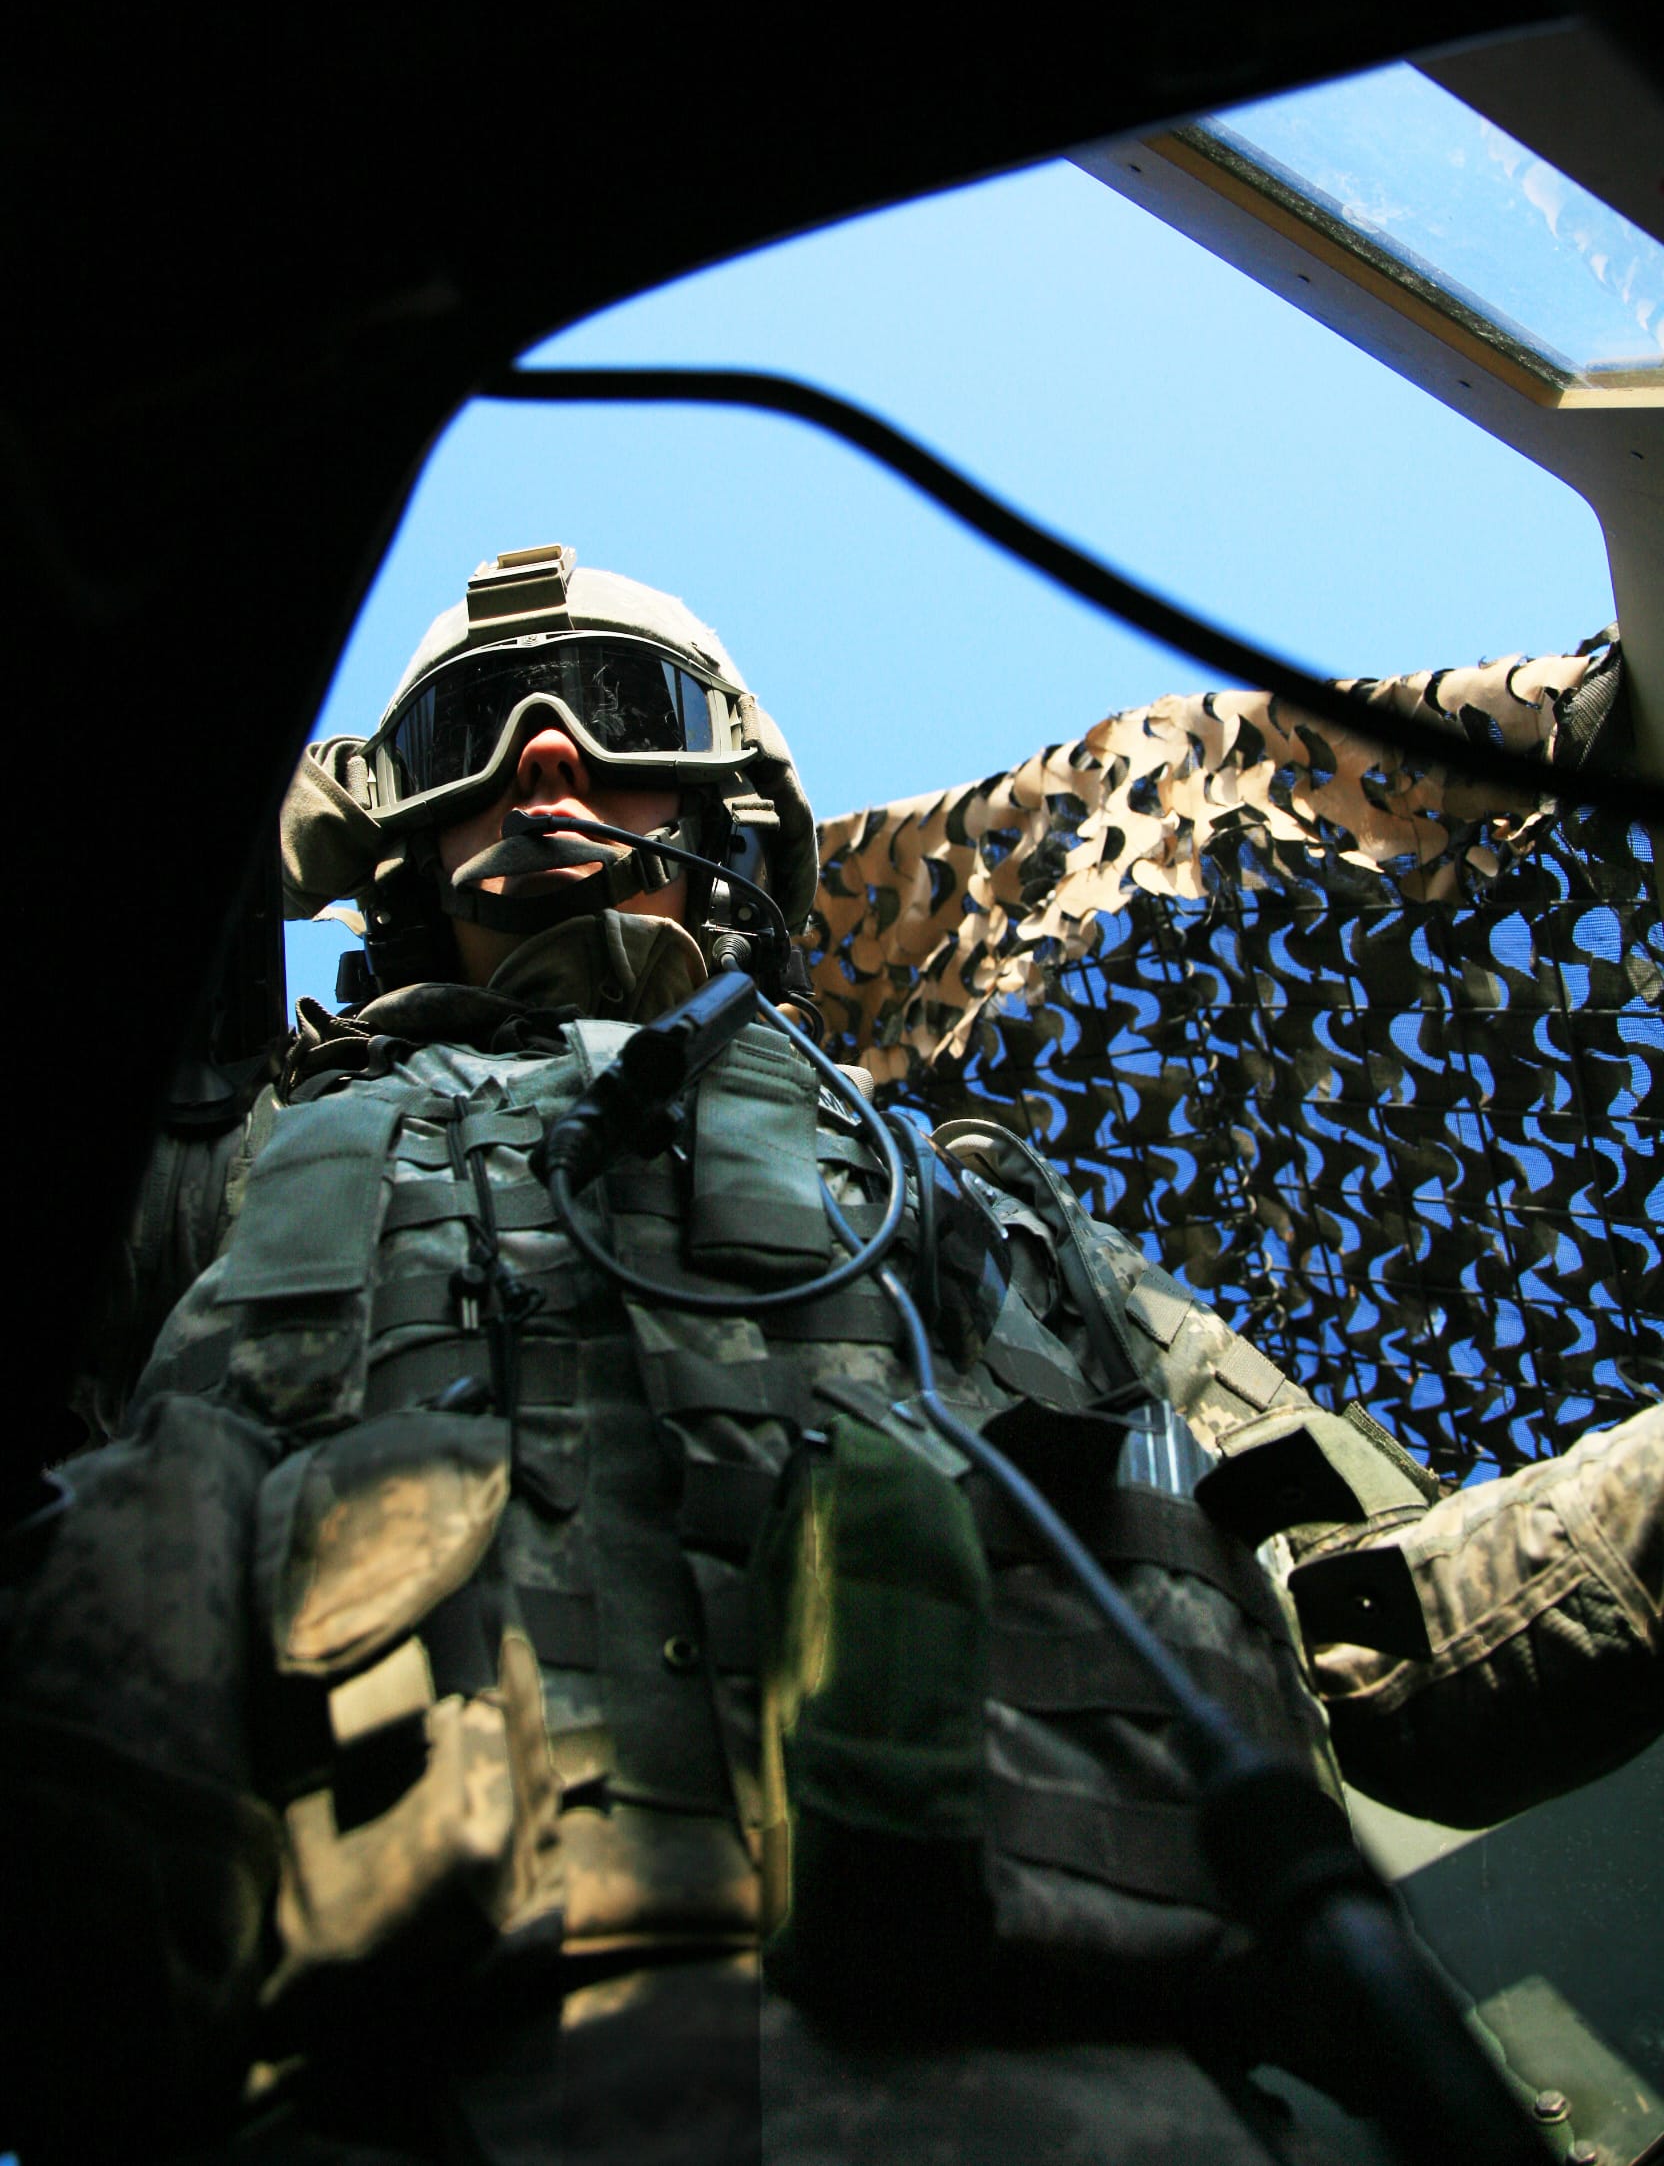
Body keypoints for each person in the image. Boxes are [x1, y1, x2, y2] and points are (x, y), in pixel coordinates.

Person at [2, 543, 1658, 2166]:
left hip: (1087, 2086)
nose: (547, 760)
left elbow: (1386, 1635)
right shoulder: (214, 1177)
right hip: (400, 2083)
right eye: (468, 742)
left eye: (614, 708)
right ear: (392, 835)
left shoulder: (988, 1213)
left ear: (732, 803)